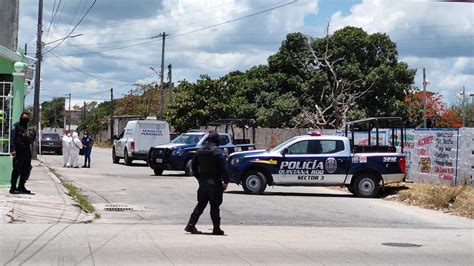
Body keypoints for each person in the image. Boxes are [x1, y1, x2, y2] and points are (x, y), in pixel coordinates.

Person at [185, 131, 229, 235]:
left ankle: (190, 225)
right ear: (217, 140)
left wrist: (199, 177)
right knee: (214, 206)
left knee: (200, 205)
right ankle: (216, 228)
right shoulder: (218, 152)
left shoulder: (200, 151)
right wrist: (226, 181)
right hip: (215, 183)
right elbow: (224, 168)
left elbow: (193, 165)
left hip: (203, 182)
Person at [10, 112, 36, 194]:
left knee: (26, 169)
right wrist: (13, 149)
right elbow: (12, 138)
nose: (25, 120)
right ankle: (13, 187)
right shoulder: (16, 126)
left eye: (27, 118)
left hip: (27, 150)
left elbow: (31, 138)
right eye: (24, 118)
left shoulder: (28, 127)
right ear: (21, 118)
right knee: (17, 169)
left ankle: (21, 186)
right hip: (18, 150)